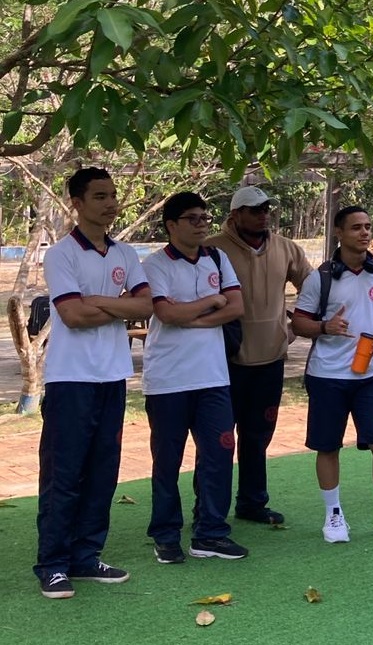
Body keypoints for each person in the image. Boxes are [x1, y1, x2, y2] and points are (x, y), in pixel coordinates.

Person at [34, 167, 153, 598]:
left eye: (113, 195)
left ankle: (85, 557)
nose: (110, 203)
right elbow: (72, 315)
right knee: (64, 474)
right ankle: (52, 564)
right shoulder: (61, 254)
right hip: (71, 379)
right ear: (77, 204)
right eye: (99, 196)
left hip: (112, 376)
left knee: (103, 471)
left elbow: (148, 307)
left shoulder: (126, 254)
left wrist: (99, 301)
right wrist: (118, 306)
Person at [291, 206, 373, 544]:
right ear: (339, 233)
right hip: (328, 375)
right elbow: (298, 323)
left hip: (371, 375)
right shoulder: (321, 278)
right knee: (328, 447)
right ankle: (333, 515)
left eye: (368, 226)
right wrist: (324, 326)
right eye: (356, 227)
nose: (364, 232)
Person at [141, 192, 248, 563]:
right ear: (171, 225)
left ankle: (211, 533)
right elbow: (166, 314)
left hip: (213, 378)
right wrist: (210, 302)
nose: (202, 223)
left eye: (205, 217)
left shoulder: (218, 258)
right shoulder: (154, 264)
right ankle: (166, 535)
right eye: (193, 218)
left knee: (219, 454)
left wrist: (194, 316)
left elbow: (236, 306)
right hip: (169, 380)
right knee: (167, 461)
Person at [207, 185, 312, 525]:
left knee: (258, 436)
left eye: (266, 208)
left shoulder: (286, 249)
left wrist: (296, 323)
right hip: (223, 361)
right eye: (254, 209)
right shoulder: (211, 249)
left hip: (269, 359)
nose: (263, 214)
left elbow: (311, 287)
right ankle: (208, 512)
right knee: (219, 439)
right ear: (235, 214)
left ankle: (252, 503)